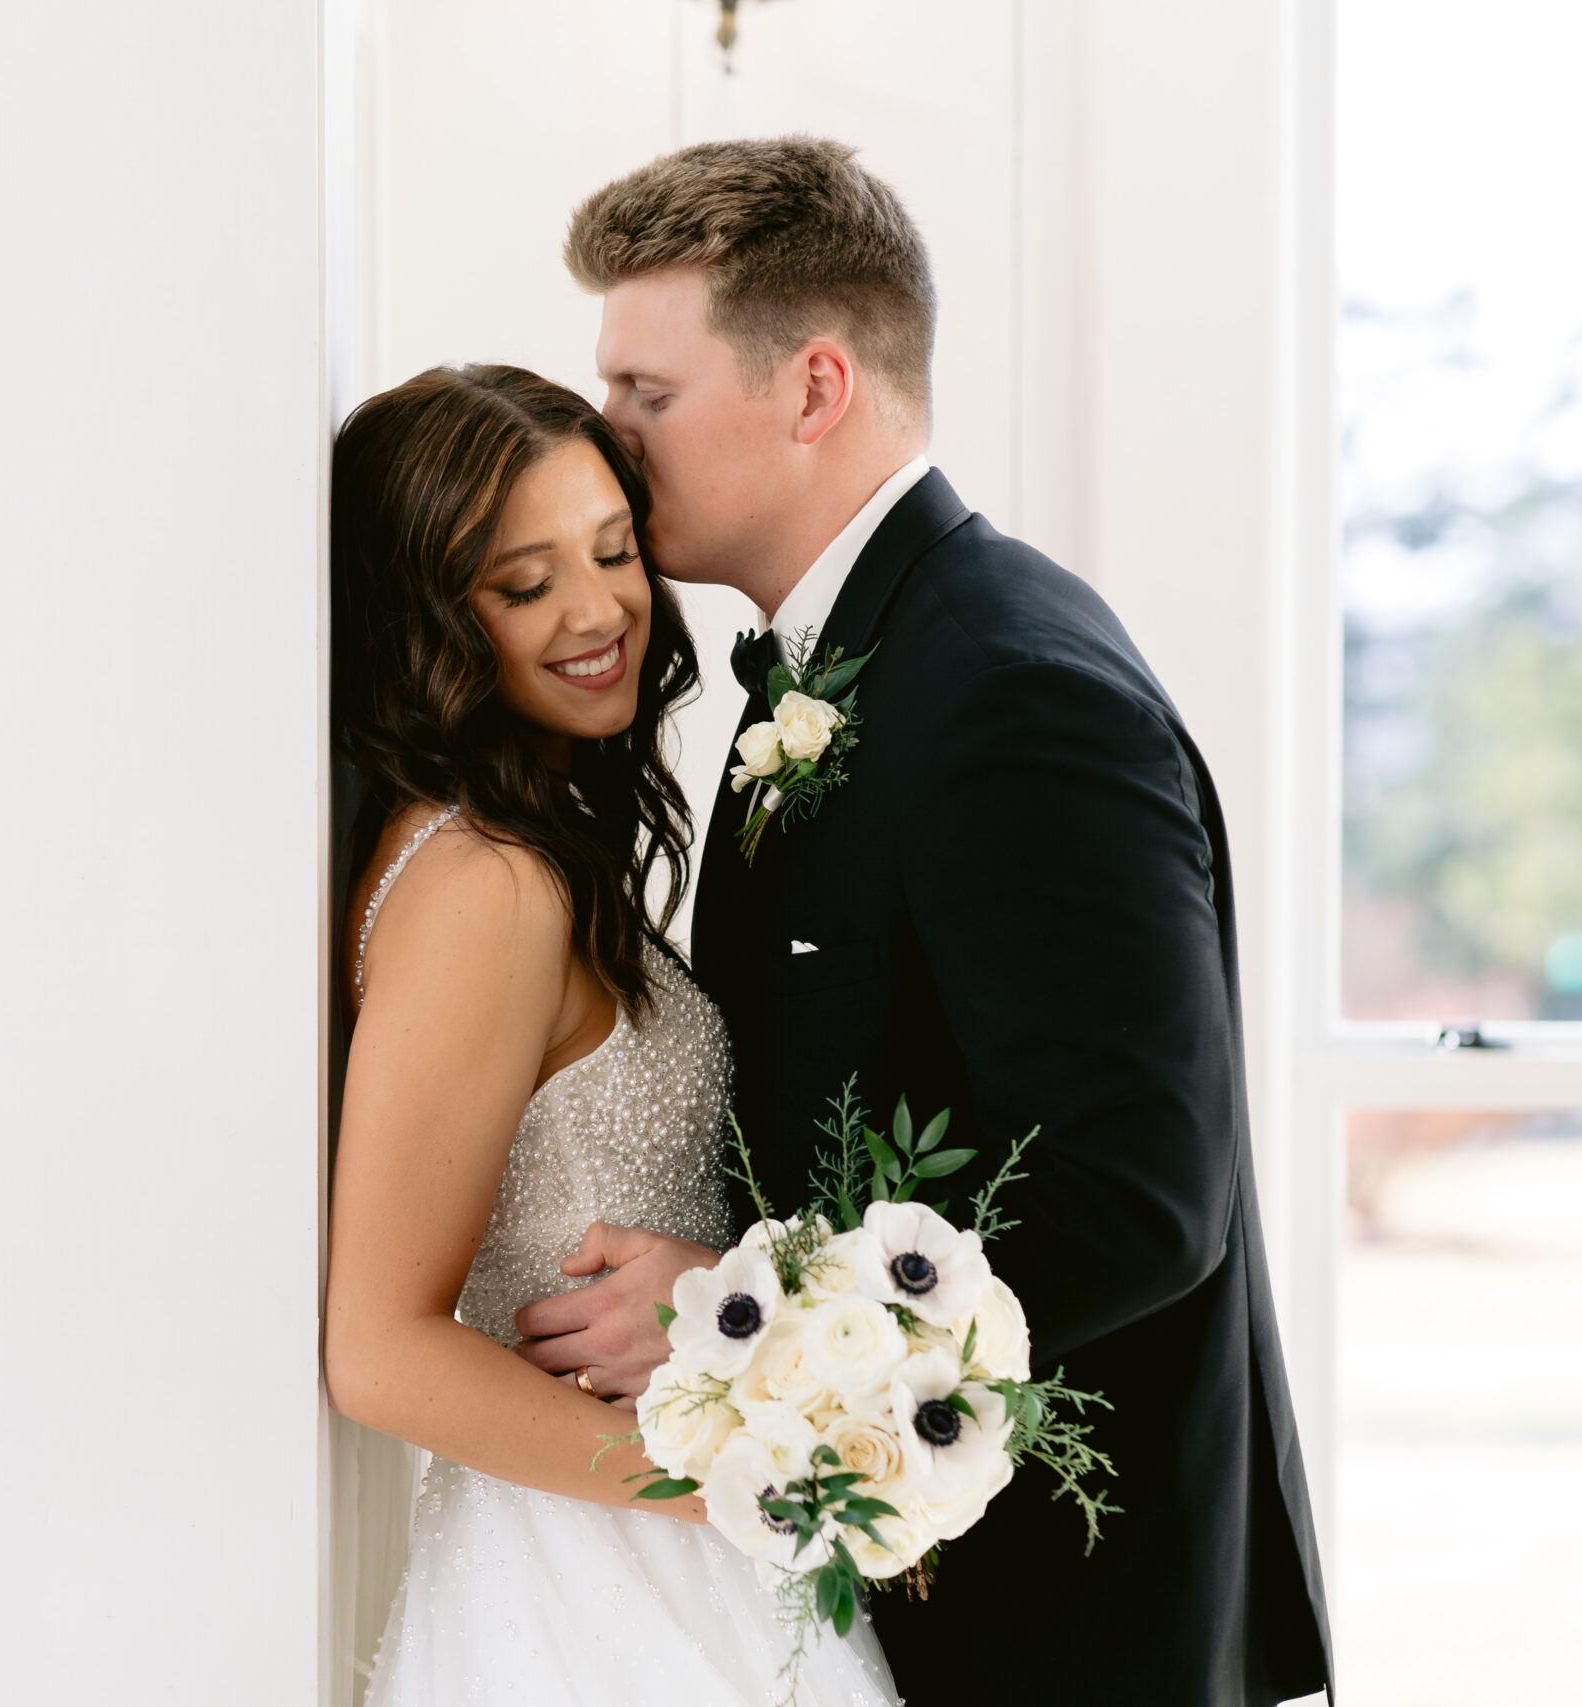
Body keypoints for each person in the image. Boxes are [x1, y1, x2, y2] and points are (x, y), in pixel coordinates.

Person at [510, 137, 1335, 1704]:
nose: (606, 445)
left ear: (814, 385)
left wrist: (734, 1309)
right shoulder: (870, 656)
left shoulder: (1010, 692)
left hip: (1061, 1632)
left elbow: (1141, 1196)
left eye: (648, 395)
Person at [323, 364, 899, 1704]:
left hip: (634, 1538)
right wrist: (733, 1483)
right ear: (429, 619)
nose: (599, 614)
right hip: (600, 1567)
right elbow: (379, 1346)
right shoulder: (490, 888)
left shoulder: (524, 846)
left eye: (613, 551)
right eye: (524, 585)